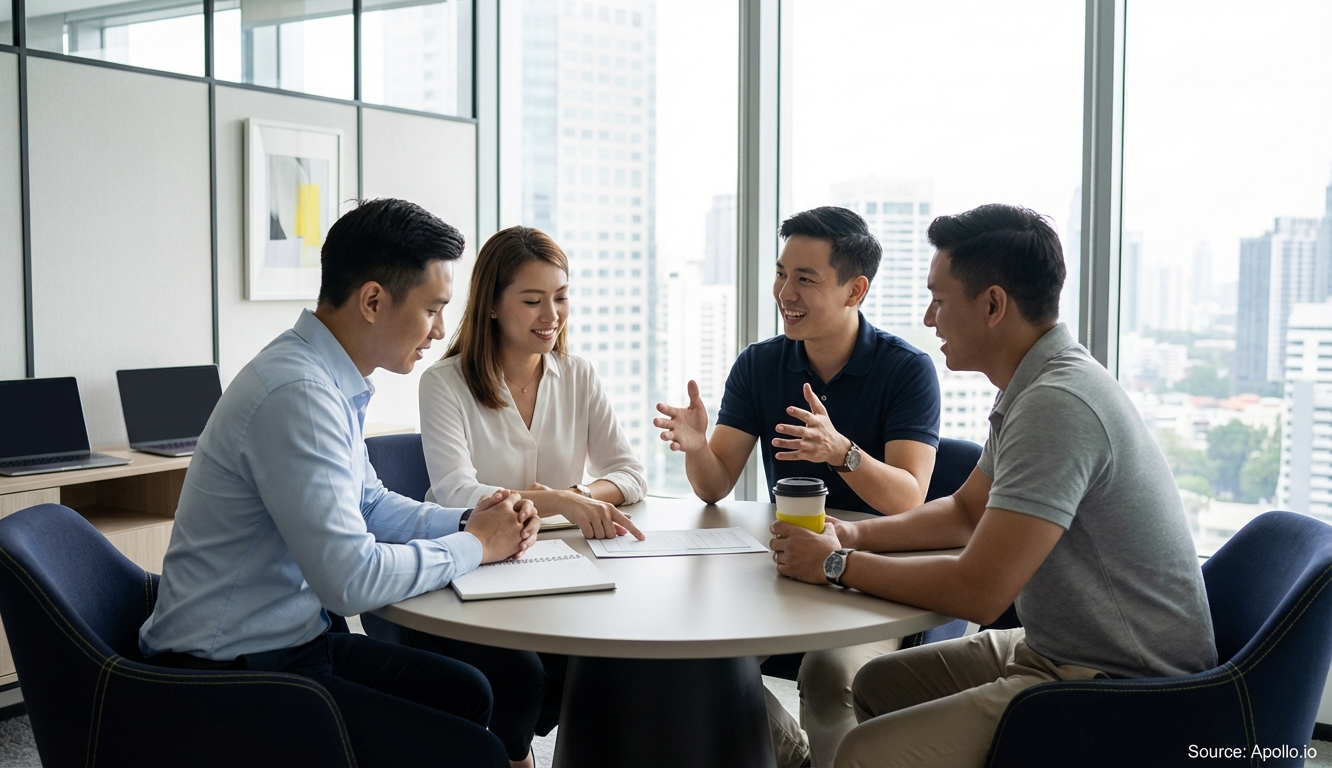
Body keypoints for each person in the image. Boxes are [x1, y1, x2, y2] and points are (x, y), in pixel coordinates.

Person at [768, 204, 1218, 768]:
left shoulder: (1058, 404)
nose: (929, 319)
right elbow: (963, 513)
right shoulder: (1032, 386)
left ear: (993, 305)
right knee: (877, 684)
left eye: (939, 299)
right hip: (1054, 645)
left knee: (864, 752)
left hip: (1121, 683)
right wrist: (851, 539)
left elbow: (979, 592)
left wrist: (833, 565)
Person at [139, 199, 540, 768]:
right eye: (433, 309)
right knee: (470, 749)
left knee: (469, 692)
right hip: (230, 673)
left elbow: (369, 503)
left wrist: (468, 521)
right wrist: (477, 545)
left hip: (292, 642)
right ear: (373, 300)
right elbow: (350, 581)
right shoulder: (298, 394)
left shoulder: (324, 377)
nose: (441, 331)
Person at [654, 206, 942, 767]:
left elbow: (909, 497)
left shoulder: (907, 369)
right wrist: (696, 449)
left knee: (831, 674)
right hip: (783, 560)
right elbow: (715, 487)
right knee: (689, 658)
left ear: (855, 289)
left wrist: (842, 452)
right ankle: (795, 754)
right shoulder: (760, 365)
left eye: (805, 279)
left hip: (871, 570)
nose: (785, 292)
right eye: (782, 274)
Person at [406, 225, 647, 767]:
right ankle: (517, 756)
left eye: (561, 297)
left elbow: (630, 473)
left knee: (605, 659)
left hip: (559, 566)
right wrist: (562, 501)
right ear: (491, 305)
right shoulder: (445, 383)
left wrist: (579, 493)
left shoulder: (578, 375)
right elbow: (456, 492)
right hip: (472, 563)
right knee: (522, 678)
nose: (552, 315)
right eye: (533, 300)